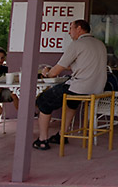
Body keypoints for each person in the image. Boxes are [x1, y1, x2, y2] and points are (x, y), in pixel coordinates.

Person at [33, 19, 107, 150]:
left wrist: (47, 73)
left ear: (79, 29)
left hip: (80, 87)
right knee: (72, 102)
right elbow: (85, 66)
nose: (69, 32)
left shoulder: (77, 44)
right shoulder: (100, 44)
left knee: (43, 101)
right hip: (97, 89)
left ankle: (42, 139)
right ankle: (62, 134)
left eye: (70, 28)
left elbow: (55, 72)